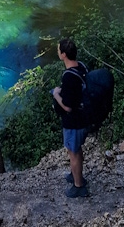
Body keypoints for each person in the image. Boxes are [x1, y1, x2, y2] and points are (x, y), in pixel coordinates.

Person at [52, 38, 90, 198]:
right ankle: (77, 175)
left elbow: (67, 106)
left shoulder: (68, 76)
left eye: (58, 50)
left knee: (73, 152)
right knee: (76, 149)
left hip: (73, 121)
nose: (57, 51)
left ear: (64, 55)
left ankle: (78, 186)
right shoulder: (81, 66)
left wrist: (56, 94)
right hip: (84, 117)